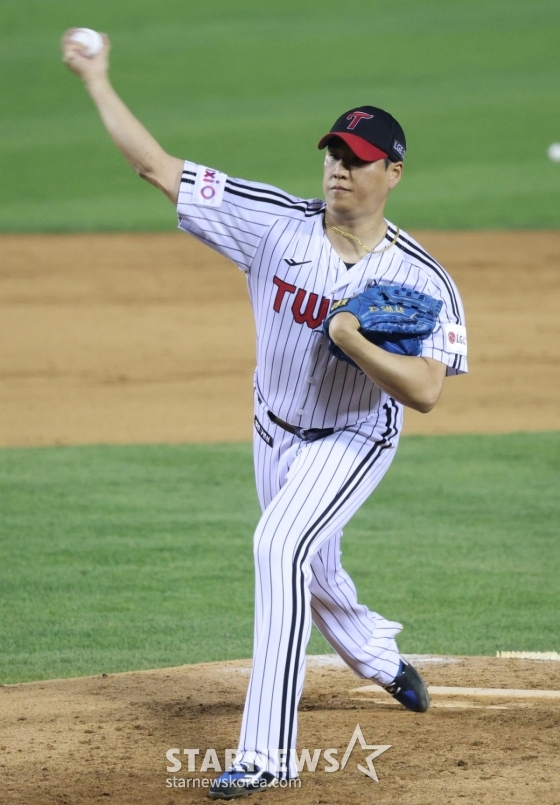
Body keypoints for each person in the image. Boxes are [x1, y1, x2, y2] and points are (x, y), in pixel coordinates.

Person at [62, 30, 468, 800]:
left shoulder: (423, 278)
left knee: (278, 544)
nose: (338, 166)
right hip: (271, 428)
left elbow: (425, 390)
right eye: (332, 153)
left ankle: (266, 753)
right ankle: (377, 655)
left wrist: (354, 341)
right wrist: (96, 78)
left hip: (354, 435)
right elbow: (156, 167)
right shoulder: (274, 223)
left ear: (392, 172)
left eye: (356, 158)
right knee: (314, 564)